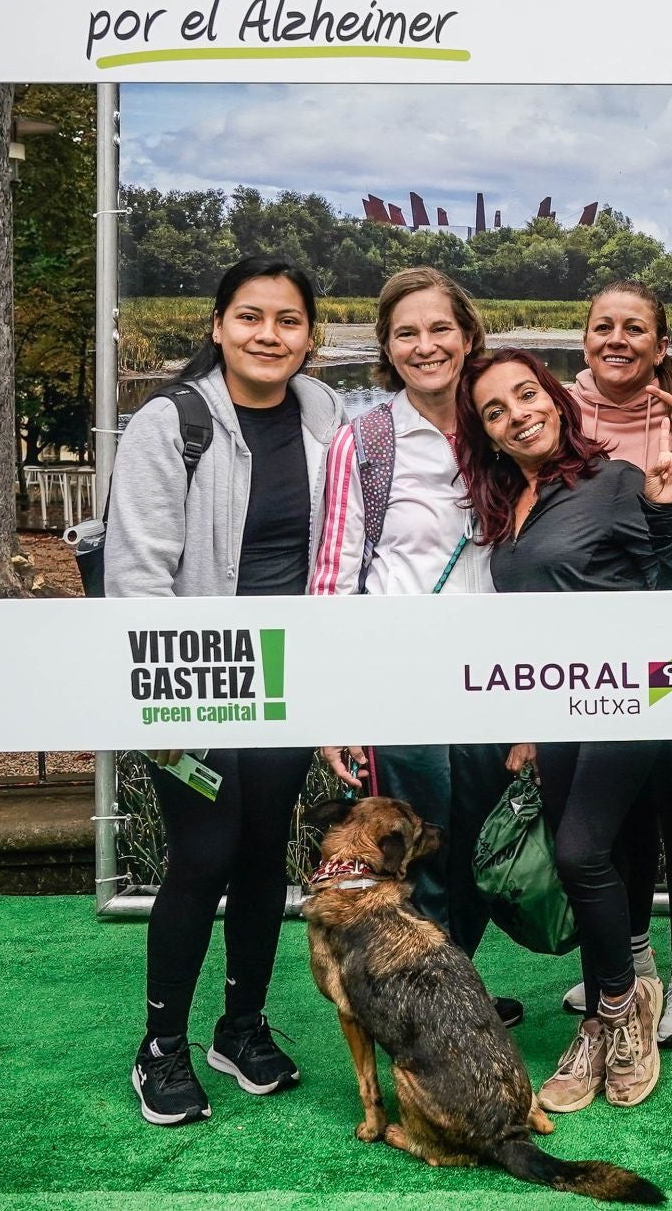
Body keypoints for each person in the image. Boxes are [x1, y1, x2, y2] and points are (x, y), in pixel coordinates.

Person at [107, 256, 344, 1126]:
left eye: (288, 320)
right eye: (251, 317)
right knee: (202, 854)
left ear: (310, 336)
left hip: (286, 681)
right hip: (192, 677)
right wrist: (168, 706)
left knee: (259, 855)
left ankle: (239, 1027)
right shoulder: (170, 424)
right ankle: (160, 1043)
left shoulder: (323, 416)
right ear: (217, 326)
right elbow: (136, 577)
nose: (269, 335)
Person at [455, 349, 672, 1113]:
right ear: (488, 435)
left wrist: (664, 510)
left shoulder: (617, 481)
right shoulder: (510, 505)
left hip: (634, 698)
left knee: (579, 849)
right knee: (604, 860)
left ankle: (618, 1015)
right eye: (496, 410)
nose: (517, 413)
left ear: (556, 399)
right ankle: (606, 1011)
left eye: (527, 394)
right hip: (560, 706)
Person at [308, 267, 528, 1026]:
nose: (426, 345)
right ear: (387, 347)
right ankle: (426, 1007)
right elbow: (333, 575)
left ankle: (455, 987)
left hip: (500, 674)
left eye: (440, 328)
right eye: (407, 332)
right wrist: (335, 704)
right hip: (399, 674)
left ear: (469, 335)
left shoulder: (504, 421)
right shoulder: (365, 440)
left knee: (474, 850)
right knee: (416, 850)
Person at [562, 281, 672, 1050]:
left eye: (636, 329)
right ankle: (629, 958)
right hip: (588, 657)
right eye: (603, 326)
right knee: (614, 821)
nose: (617, 339)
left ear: (662, 347)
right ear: (584, 335)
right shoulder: (552, 412)